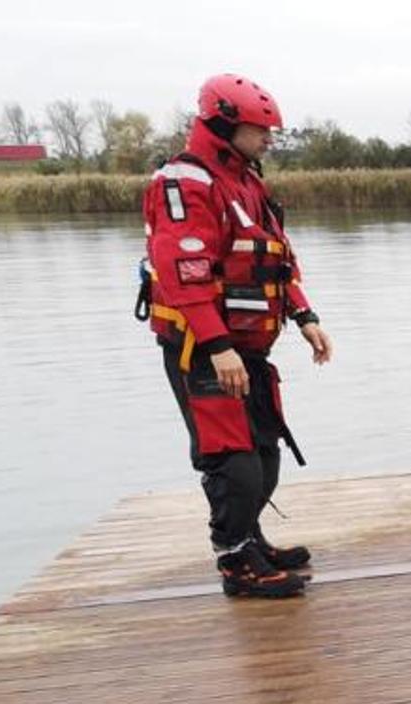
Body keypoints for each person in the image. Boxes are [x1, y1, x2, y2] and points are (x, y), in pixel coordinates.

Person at [140, 74, 333, 598]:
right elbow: (185, 269)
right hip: (204, 348)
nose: (270, 138)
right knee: (234, 458)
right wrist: (216, 344)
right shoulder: (185, 182)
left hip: (248, 347)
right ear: (226, 124)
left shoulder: (248, 181)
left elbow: (275, 257)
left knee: (265, 452)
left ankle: (250, 538)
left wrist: (304, 315)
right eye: (260, 129)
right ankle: (235, 563)